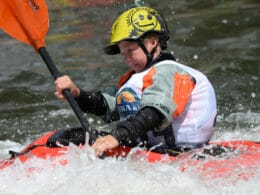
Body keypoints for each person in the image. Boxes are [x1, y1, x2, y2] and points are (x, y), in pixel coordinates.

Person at [54, 6, 217, 157]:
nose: (127, 59)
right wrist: (76, 94)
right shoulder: (135, 79)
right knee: (68, 137)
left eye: (131, 51)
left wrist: (117, 136)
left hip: (183, 154)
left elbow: (155, 112)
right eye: (123, 54)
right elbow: (106, 107)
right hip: (155, 151)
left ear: (153, 42)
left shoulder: (170, 72)